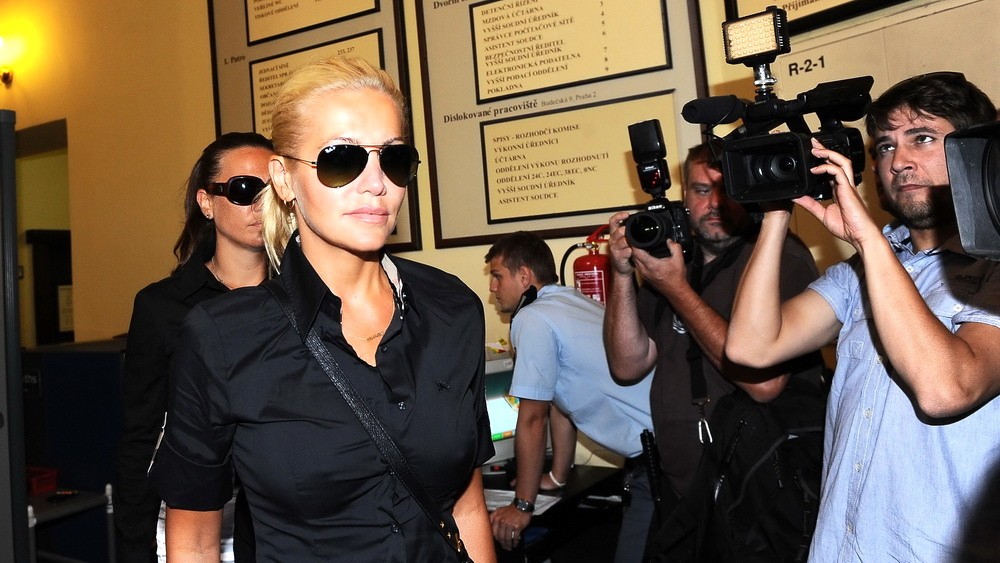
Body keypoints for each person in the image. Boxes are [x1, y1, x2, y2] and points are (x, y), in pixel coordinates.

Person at [150, 56, 496, 561]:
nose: (376, 183)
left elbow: (465, 506)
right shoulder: (223, 338)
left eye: (394, 159)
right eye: (341, 159)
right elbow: (197, 538)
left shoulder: (453, 309)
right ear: (284, 179)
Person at [724, 72, 1000, 560]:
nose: (899, 161)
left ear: (974, 151)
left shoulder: (993, 267)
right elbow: (751, 347)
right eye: (886, 147)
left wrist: (868, 239)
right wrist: (777, 209)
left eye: (922, 138)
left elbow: (945, 390)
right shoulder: (861, 271)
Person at [604, 140, 826, 517]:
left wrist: (677, 290)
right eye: (701, 190)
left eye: (726, 191)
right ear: (684, 197)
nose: (714, 205)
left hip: (759, 493)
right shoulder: (672, 261)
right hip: (684, 489)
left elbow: (764, 384)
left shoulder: (778, 257)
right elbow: (627, 366)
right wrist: (623, 274)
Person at [114, 132, 272, 562]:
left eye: (274, 190)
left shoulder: (302, 299)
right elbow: (142, 437)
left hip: (274, 523)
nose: (262, 204)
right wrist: (134, 545)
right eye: (244, 189)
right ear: (207, 202)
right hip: (186, 521)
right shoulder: (162, 307)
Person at [484, 231, 655, 561]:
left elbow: (533, 419)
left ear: (524, 276)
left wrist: (522, 505)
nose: (492, 288)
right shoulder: (573, 301)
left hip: (655, 459)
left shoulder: (532, 318)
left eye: (498, 276)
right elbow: (559, 401)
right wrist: (556, 476)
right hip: (665, 446)